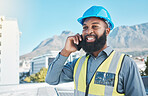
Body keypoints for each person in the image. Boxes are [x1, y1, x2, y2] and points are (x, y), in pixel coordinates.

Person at [45, 6, 146, 96]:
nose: (89, 31)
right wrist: (65, 52)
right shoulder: (77, 64)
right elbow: (51, 80)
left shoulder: (125, 64)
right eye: (85, 27)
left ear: (107, 31)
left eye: (95, 26)